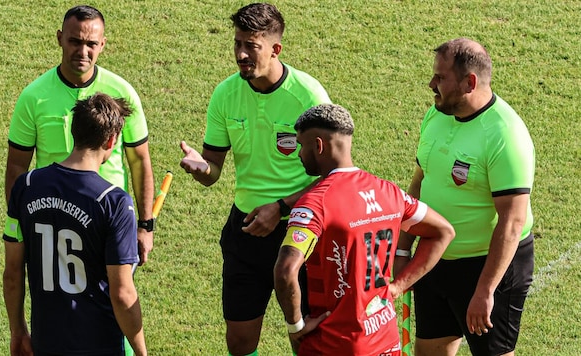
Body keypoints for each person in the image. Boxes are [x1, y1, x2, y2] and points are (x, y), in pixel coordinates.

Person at [179, 3, 331, 355]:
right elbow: (214, 168)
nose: (241, 54)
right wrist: (201, 167)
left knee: (308, 336)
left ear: (276, 49)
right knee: (240, 341)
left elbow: (334, 177)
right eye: (237, 44)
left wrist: (279, 208)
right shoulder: (225, 94)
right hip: (246, 231)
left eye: (251, 46)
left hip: (301, 233)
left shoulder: (308, 98)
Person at [273, 104, 455, 356]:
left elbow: (285, 270)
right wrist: (397, 287)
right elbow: (443, 231)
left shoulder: (315, 203)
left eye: (302, 146)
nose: (299, 154)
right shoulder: (389, 192)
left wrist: (295, 326)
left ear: (318, 145)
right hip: (385, 340)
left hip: (334, 345)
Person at [394, 38, 535, 356]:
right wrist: (403, 249)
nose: (432, 84)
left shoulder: (504, 135)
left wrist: (486, 291)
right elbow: (419, 182)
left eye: (441, 78)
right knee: (430, 351)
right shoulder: (437, 113)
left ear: (469, 82)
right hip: (435, 254)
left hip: (486, 265)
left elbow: (511, 223)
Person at [5, 5, 155, 267]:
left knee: (113, 299)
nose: (83, 52)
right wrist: (20, 221)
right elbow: (17, 165)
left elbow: (139, 161)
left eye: (91, 44)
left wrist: (145, 226)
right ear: (59, 38)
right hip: (52, 221)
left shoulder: (122, 93)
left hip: (108, 220)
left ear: (103, 44)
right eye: (75, 41)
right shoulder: (33, 97)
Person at [3, 93, 147, 356]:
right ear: (111, 140)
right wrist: (141, 352)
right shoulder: (114, 203)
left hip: (45, 344)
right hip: (99, 346)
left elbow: (12, 274)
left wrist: (18, 331)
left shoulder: (26, 187)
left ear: (73, 131)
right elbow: (123, 294)